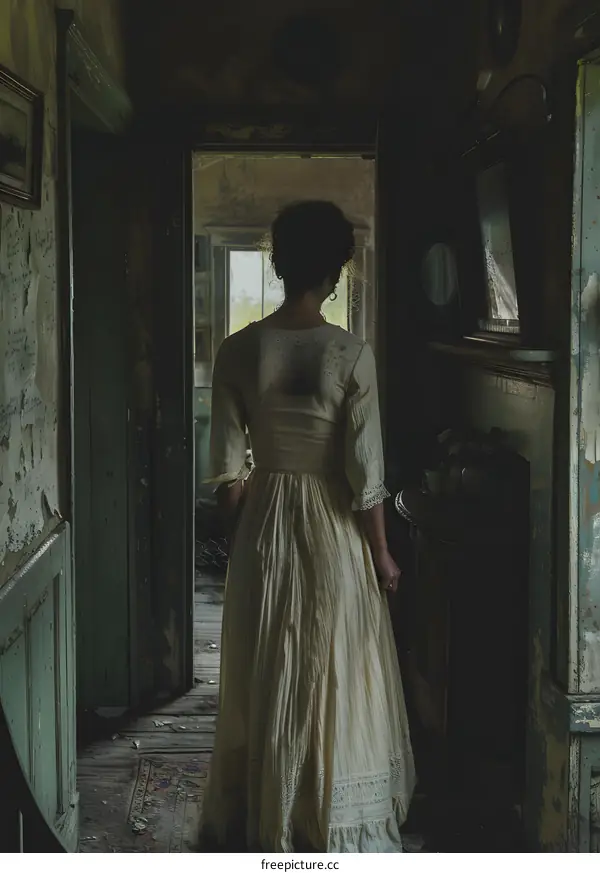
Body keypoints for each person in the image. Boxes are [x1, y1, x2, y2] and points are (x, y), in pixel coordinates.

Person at [200, 201, 415, 852]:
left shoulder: (239, 351)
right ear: (335, 271)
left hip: (266, 519)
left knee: (270, 663)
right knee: (332, 664)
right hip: (332, 526)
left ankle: (270, 805)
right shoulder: (351, 355)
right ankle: (324, 810)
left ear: (281, 264)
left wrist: (240, 544)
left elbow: (228, 474)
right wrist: (381, 553)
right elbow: (365, 472)